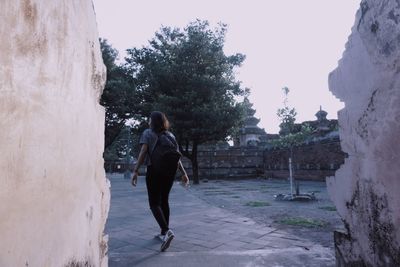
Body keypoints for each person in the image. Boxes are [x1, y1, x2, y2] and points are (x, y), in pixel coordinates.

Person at [131, 111, 189, 252]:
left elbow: (143, 152)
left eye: (149, 119)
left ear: (153, 121)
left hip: (154, 170)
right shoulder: (171, 135)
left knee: (154, 203)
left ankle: (166, 230)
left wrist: (136, 170)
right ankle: (164, 233)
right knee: (164, 201)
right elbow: (177, 157)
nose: (148, 121)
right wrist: (184, 173)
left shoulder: (148, 133)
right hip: (170, 172)